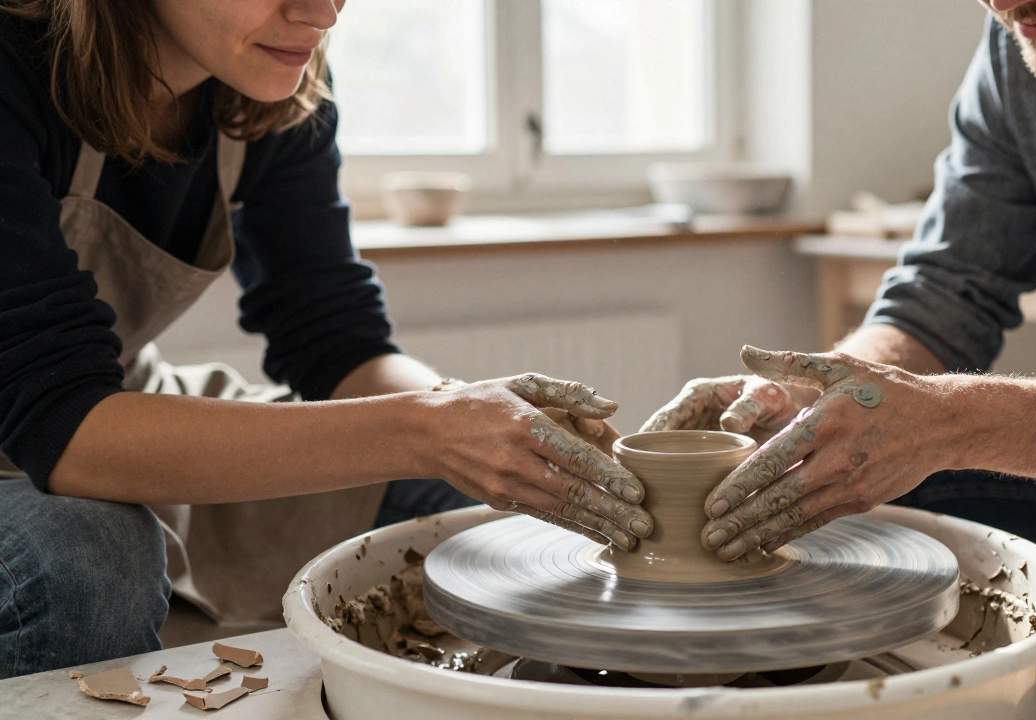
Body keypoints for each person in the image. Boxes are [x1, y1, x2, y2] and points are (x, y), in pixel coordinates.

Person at [0, 0, 653, 679]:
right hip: (71, 441)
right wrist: (430, 430)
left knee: (491, 517)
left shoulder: (266, 70)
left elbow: (336, 344)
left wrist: (488, 426)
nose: (322, 13)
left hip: (118, 406)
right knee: (88, 556)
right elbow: (64, 425)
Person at [644, 0, 1036, 622]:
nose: (1005, 3)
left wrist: (952, 419)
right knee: (845, 474)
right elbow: (941, 296)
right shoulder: (1031, 45)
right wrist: (820, 400)